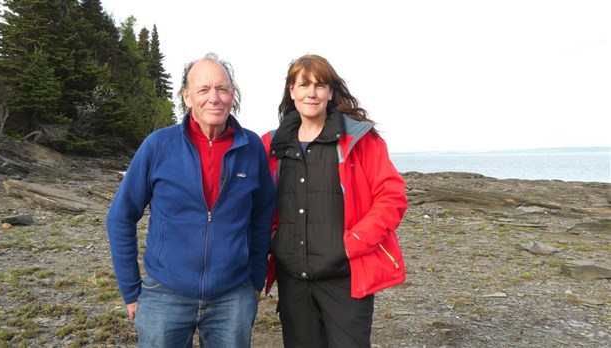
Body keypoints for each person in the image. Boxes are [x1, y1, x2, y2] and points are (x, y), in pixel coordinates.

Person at [106, 52, 276, 348]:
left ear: (233, 95)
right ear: (186, 97)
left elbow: (262, 218)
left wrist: (255, 281)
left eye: (222, 89)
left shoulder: (252, 149)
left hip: (232, 296)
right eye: (203, 89)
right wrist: (131, 291)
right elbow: (120, 217)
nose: (215, 98)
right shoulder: (159, 146)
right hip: (164, 294)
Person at [261, 54, 408, 348]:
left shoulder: (360, 140)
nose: (311, 93)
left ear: (330, 91)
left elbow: (392, 197)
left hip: (345, 278)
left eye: (319, 85)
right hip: (294, 282)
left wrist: (352, 243)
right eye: (303, 85)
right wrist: (274, 240)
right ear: (292, 91)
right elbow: (257, 202)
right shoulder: (271, 144)